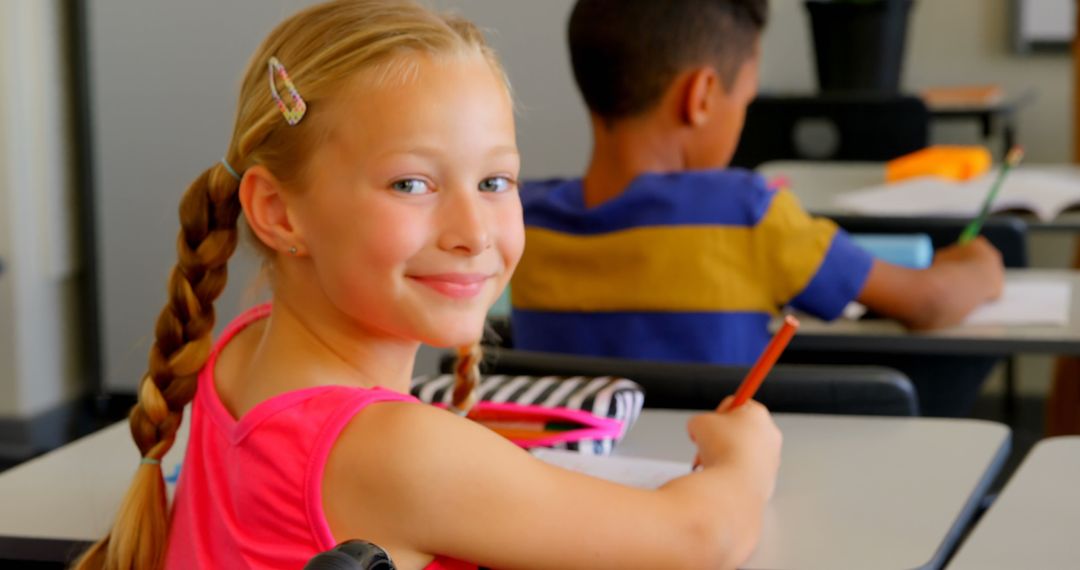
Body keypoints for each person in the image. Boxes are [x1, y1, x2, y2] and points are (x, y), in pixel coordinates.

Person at [75, 2, 782, 569]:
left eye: (495, 181)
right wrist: (747, 456)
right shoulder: (394, 451)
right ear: (279, 212)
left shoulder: (241, 350)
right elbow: (702, 539)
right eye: (412, 183)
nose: (473, 230)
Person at [511, 0, 1004, 368]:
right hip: (711, 482)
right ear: (701, 96)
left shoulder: (522, 221)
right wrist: (981, 267)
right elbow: (929, 302)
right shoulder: (746, 212)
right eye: (743, 100)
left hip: (569, 486)